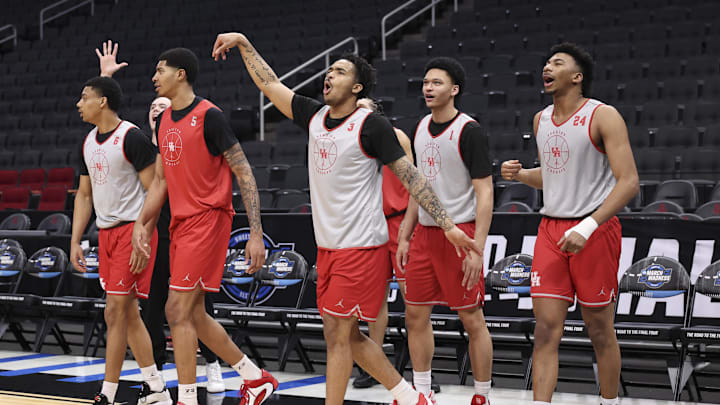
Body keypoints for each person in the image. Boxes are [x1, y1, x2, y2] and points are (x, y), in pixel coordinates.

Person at [212, 32, 481, 405]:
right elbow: (271, 84)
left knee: (339, 336)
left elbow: (412, 177)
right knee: (346, 337)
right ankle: (411, 397)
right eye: (328, 71)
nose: (329, 75)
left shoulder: (371, 126)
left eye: (338, 72)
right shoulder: (315, 116)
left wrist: (448, 225)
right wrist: (244, 43)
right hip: (329, 248)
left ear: (356, 87)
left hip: (361, 248)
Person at [132, 47, 275, 405]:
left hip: (209, 218)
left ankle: (187, 398)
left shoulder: (210, 116)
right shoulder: (164, 122)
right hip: (180, 223)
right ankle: (254, 378)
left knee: (175, 310)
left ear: (181, 74)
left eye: (160, 70)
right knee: (192, 314)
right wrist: (143, 222)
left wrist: (255, 233)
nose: (154, 77)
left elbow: (244, 172)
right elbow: (161, 181)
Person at [500, 42, 639, 405]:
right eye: (546, 62)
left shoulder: (604, 116)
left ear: (577, 77)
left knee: (599, 331)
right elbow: (555, 177)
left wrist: (588, 227)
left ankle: (609, 402)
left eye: (557, 63)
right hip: (550, 231)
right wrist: (522, 175)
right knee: (545, 331)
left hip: (594, 231)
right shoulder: (540, 119)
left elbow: (629, 182)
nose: (547, 67)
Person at [94, 40, 226, 393]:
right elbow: (109, 125)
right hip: (157, 230)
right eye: (153, 108)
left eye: (163, 105)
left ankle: (213, 365)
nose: (157, 109)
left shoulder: (186, 132)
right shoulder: (148, 142)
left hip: (190, 226)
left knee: (197, 304)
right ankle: (159, 380)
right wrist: (105, 78)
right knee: (155, 308)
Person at [395, 57, 494, 405]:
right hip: (424, 234)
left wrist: (477, 249)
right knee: (415, 315)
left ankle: (482, 396)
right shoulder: (420, 128)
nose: (428, 88)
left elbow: (485, 191)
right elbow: (418, 189)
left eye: (436, 82)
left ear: (454, 90)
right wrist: (405, 235)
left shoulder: (469, 130)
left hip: (461, 235)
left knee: (471, 319)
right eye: (425, 82)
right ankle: (422, 392)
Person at [70, 75, 172, 405]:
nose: (78, 104)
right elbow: (84, 196)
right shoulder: (87, 142)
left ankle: (108, 394)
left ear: (102, 102)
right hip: (107, 233)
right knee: (126, 313)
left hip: (134, 230)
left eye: (84, 97)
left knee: (114, 311)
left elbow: (155, 189)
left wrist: (144, 232)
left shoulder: (132, 137)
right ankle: (156, 388)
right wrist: (74, 241)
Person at [351, 98, 411, 390]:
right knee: (374, 302)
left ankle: (422, 368)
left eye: (363, 107)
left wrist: (412, 230)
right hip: (371, 225)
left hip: (400, 222)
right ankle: (373, 366)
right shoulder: (351, 143)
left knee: (415, 303)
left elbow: (414, 182)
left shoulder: (396, 137)